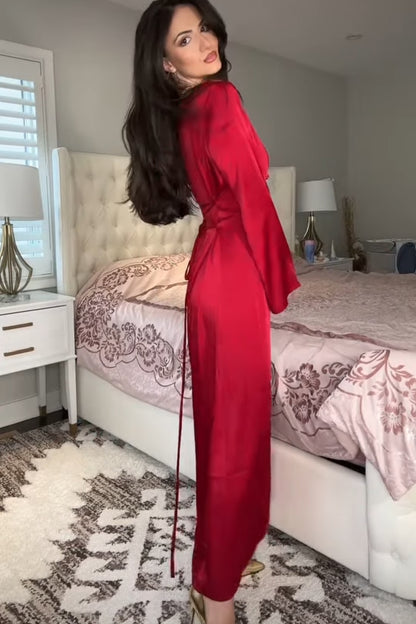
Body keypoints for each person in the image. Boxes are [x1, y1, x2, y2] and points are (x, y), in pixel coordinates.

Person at [122, 1, 300, 622]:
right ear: (166, 65)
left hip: (213, 269)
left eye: (203, 28)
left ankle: (224, 554)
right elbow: (251, 195)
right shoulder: (219, 100)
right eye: (184, 39)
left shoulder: (187, 114)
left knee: (225, 429)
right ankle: (215, 594)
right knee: (234, 436)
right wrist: (279, 281)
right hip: (233, 273)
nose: (204, 42)